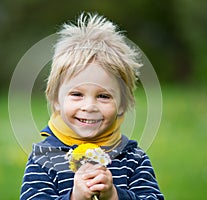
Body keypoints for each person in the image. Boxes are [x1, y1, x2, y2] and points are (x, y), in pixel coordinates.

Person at [20, 13, 164, 200]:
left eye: (103, 96)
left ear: (122, 105)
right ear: (56, 100)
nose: (89, 106)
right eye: (77, 94)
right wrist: (75, 197)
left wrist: (114, 195)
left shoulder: (133, 159)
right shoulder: (43, 158)